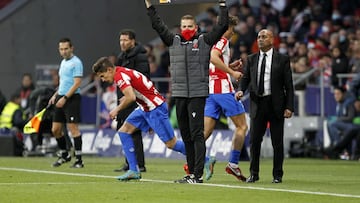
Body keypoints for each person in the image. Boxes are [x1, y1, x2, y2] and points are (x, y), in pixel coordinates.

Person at [144, 0, 228, 183]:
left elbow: (222, 25)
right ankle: (191, 172)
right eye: (184, 26)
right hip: (180, 94)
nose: (187, 28)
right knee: (186, 135)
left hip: (197, 94)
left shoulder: (204, 41)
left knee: (197, 134)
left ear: (196, 26)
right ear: (180, 28)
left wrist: (222, 5)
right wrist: (150, 6)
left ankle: (197, 175)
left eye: (190, 26)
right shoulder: (172, 41)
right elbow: (157, 25)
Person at [92, 57, 186, 181]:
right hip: (145, 107)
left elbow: (130, 97)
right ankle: (133, 170)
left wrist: (117, 109)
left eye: (103, 76)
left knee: (171, 143)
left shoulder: (119, 77)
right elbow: (137, 90)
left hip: (154, 108)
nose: (103, 80)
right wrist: (125, 99)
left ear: (109, 70)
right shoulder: (121, 71)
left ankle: (204, 159)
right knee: (123, 131)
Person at [235, 29, 294, 183]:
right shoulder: (251, 59)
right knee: (254, 141)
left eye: (264, 37)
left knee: (277, 142)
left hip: (276, 104)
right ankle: (254, 174)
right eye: (259, 37)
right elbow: (246, 78)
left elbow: (289, 86)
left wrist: (289, 107)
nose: (261, 39)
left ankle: (277, 175)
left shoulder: (282, 59)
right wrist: (241, 90)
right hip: (257, 103)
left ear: (272, 40)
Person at [203, 15, 247, 181]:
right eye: (231, 28)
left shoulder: (211, 40)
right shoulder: (222, 40)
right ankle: (233, 165)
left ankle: (194, 163)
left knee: (205, 132)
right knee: (242, 127)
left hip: (211, 90)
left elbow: (214, 65)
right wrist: (232, 72)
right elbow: (214, 57)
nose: (232, 32)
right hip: (223, 89)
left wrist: (229, 66)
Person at [113, 29, 150, 173]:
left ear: (133, 41)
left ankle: (139, 164)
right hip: (123, 99)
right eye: (121, 40)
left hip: (133, 100)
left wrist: (131, 94)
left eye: (125, 40)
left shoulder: (140, 57)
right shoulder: (122, 56)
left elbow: (143, 78)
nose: (122, 43)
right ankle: (129, 162)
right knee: (123, 129)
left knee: (133, 132)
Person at [48, 37, 84, 168]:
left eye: (66, 49)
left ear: (71, 48)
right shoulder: (63, 62)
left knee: (73, 128)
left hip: (72, 98)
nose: (63, 52)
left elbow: (77, 83)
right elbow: (64, 83)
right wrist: (56, 95)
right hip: (61, 97)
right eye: (61, 49)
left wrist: (65, 98)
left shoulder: (76, 62)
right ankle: (65, 154)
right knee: (55, 129)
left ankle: (79, 160)